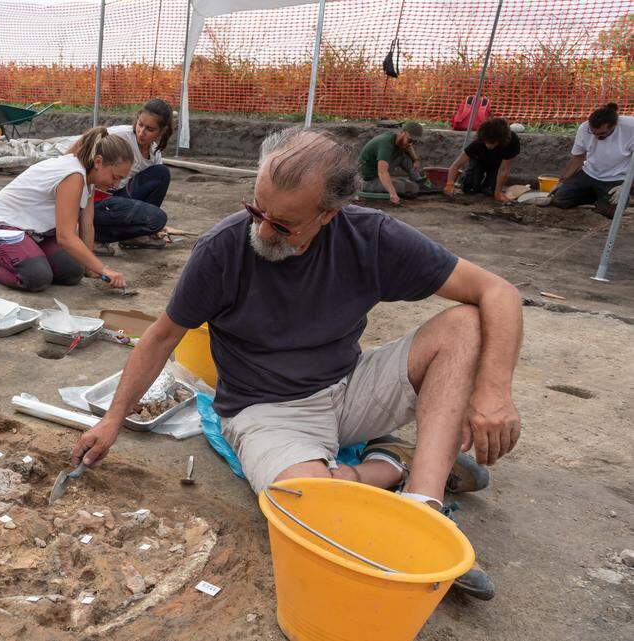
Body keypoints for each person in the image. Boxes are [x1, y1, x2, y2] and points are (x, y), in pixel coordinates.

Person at [71, 127, 524, 601]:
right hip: (266, 410)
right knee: (302, 512)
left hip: (349, 388)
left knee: (465, 324)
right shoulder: (224, 248)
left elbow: (498, 292)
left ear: (331, 213)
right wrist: (113, 420)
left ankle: (424, 504)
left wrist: (493, 391)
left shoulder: (370, 236)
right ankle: (392, 464)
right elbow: (162, 336)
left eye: (284, 224)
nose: (263, 231)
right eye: (257, 210)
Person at [0, 127, 134, 292]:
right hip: (1, 227)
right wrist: (103, 269)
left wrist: (92, 268)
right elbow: (65, 236)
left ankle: (28, 256)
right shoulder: (73, 176)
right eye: (115, 177)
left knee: (74, 272)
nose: (116, 185)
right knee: (36, 278)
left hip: (35, 233)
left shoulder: (89, 178)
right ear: (98, 162)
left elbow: (87, 224)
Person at [93, 99, 175, 254]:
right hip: (98, 200)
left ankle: (135, 235)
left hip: (120, 197)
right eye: (140, 124)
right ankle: (94, 236)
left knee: (161, 173)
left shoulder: (155, 152)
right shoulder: (118, 136)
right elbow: (83, 150)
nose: (141, 132)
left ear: (162, 131)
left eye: (150, 129)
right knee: (156, 219)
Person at [549, 103, 633, 218]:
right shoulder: (584, 128)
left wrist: (626, 185)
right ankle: (597, 196)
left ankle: (610, 199)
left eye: (602, 134)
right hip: (589, 174)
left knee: (610, 213)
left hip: (616, 179)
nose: (597, 137)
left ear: (614, 125)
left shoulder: (630, 128)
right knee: (559, 199)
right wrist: (562, 181)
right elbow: (578, 158)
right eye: (593, 133)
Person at [444, 117, 520, 202]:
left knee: (490, 191)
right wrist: (449, 184)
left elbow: (504, 169)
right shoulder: (478, 142)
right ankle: (469, 178)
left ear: (500, 140)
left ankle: (487, 185)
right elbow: (456, 164)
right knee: (470, 188)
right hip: (479, 161)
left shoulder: (511, 142)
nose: (488, 146)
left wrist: (498, 193)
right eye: (486, 142)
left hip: (497, 165)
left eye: (492, 142)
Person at [359, 121, 429, 205]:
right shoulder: (386, 145)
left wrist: (415, 159)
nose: (411, 143)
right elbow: (382, 172)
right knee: (412, 188)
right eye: (410, 140)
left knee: (403, 155)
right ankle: (413, 185)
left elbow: (408, 146)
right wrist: (392, 194)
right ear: (403, 132)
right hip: (368, 181)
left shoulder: (397, 138)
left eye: (414, 142)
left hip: (377, 171)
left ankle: (418, 180)